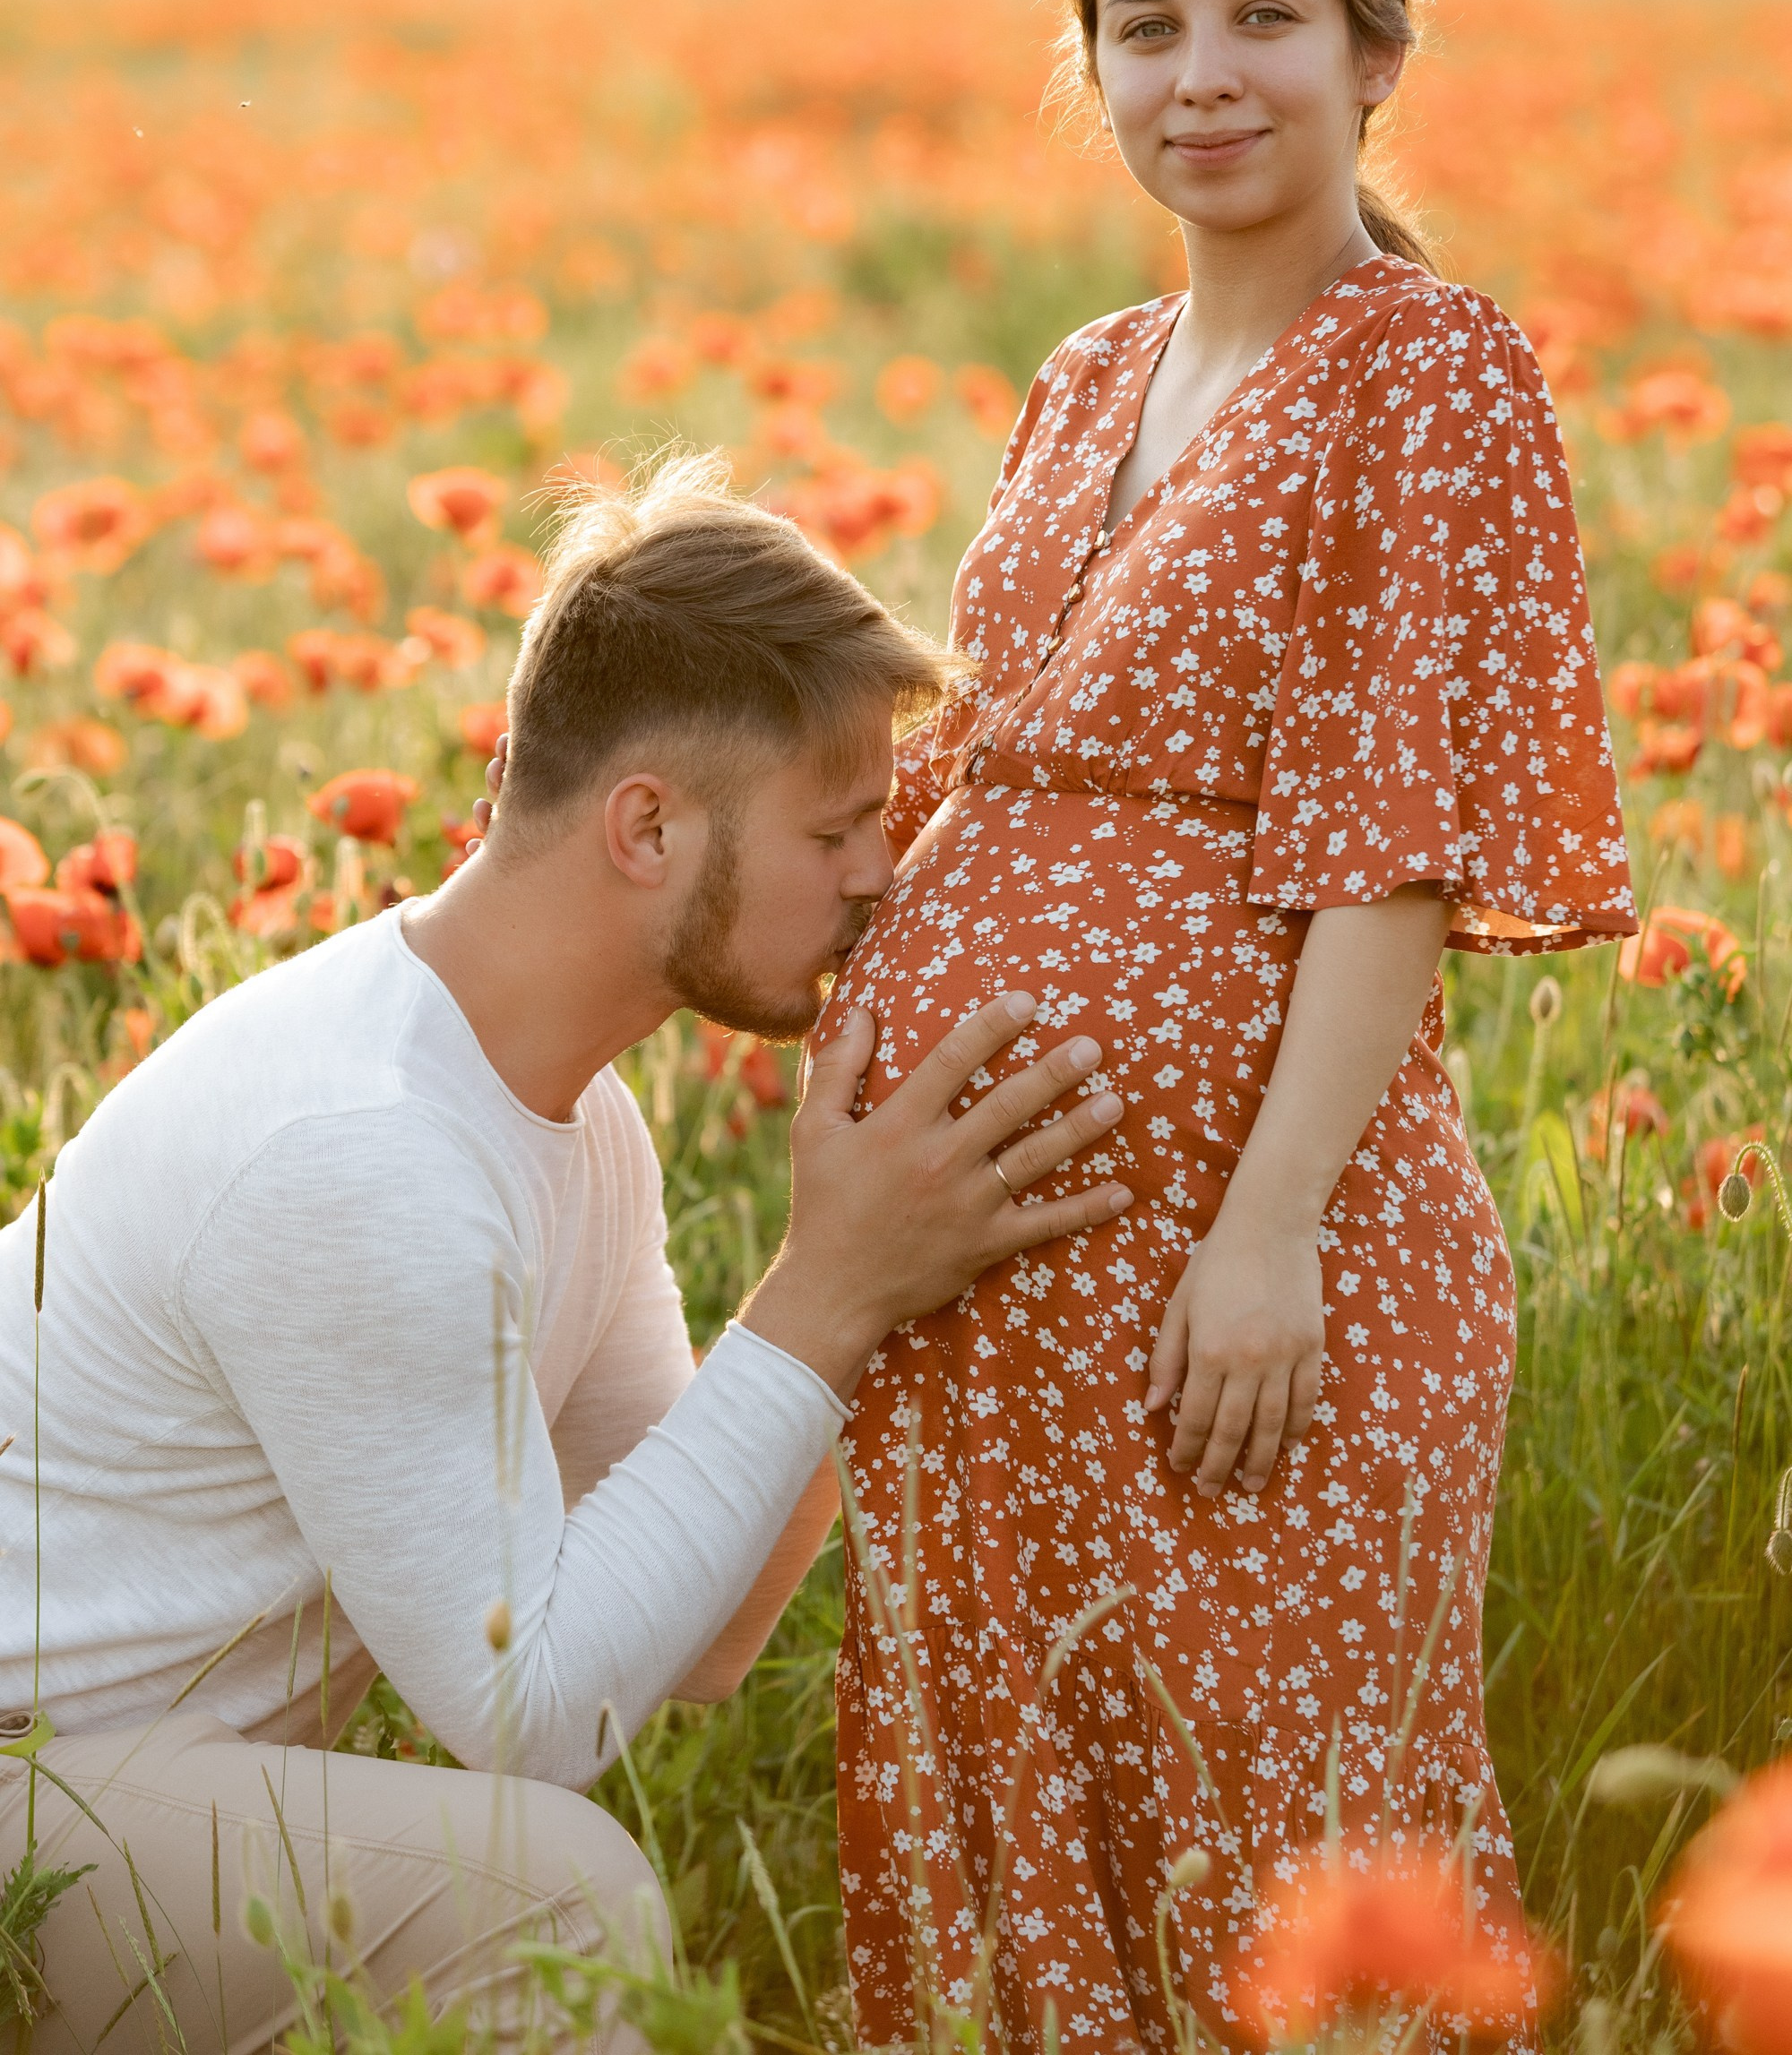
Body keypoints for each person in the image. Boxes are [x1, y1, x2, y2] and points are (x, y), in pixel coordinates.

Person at [821, 0, 1638, 2051]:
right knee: (1032, 1776)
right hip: (993, 1263)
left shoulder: (1427, 365)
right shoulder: (1088, 374)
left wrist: (1266, 1229)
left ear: (1374, 46)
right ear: (1091, 71)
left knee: (1273, 1822)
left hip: (1255, 1259)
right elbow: (986, 759)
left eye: (1263, 15)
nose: (1204, 74)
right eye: (1145, 24)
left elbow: (1382, 843)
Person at [0, 458, 1133, 2051]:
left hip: (111, 1783)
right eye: (842, 825)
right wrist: (832, 1285)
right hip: (18, 1795)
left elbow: (697, 1641)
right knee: (551, 1890)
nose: (886, 873)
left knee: (526, 1889)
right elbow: (533, 1715)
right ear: (648, 825)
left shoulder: (574, 1125)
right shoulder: (366, 1148)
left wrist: (884, 1286)